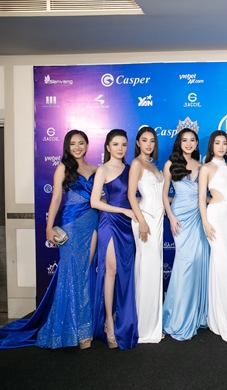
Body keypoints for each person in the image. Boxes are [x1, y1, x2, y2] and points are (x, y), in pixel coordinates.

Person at [0, 130, 99, 350]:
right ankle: (72, 331)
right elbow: (56, 198)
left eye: (81, 143)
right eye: (73, 144)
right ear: (67, 146)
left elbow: (101, 198)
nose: (77, 147)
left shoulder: (95, 170)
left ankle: (85, 326)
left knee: (85, 273)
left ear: (87, 145)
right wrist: (48, 227)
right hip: (71, 225)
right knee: (71, 275)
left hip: (92, 224)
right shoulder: (63, 168)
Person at [91, 129, 139, 350]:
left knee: (124, 272)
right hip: (109, 222)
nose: (120, 148)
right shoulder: (103, 169)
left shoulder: (131, 169)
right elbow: (95, 202)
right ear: (108, 147)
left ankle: (121, 317)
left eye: (124, 144)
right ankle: (108, 323)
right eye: (116, 144)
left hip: (128, 225)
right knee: (110, 270)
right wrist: (122, 211)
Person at [162, 124, 210, 341]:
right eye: (184, 140)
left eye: (192, 140)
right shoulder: (170, 164)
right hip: (180, 218)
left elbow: (203, 196)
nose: (189, 144)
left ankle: (196, 314)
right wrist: (171, 217)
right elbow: (164, 194)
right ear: (179, 143)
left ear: (197, 144)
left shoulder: (202, 166)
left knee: (199, 262)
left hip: (199, 217)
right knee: (185, 265)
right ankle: (179, 318)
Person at [200, 131, 227, 342]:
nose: (221, 146)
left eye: (224, 143)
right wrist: (205, 222)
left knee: (225, 265)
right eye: (217, 143)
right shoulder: (206, 168)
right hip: (215, 218)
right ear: (211, 145)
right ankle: (221, 319)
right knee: (221, 263)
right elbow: (201, 199)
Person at [128, 126, 164, 343]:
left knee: (154, 270)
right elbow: (131, 195)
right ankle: (144, 327)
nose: (149, 144)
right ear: (138, 143)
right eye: (144, 140)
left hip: (158, 220)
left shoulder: (153, 165)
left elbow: (160, 196)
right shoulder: (136, 163)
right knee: (147, 269)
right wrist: (141, 221)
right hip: (146, 220)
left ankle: (154, 323)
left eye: (152, 140)